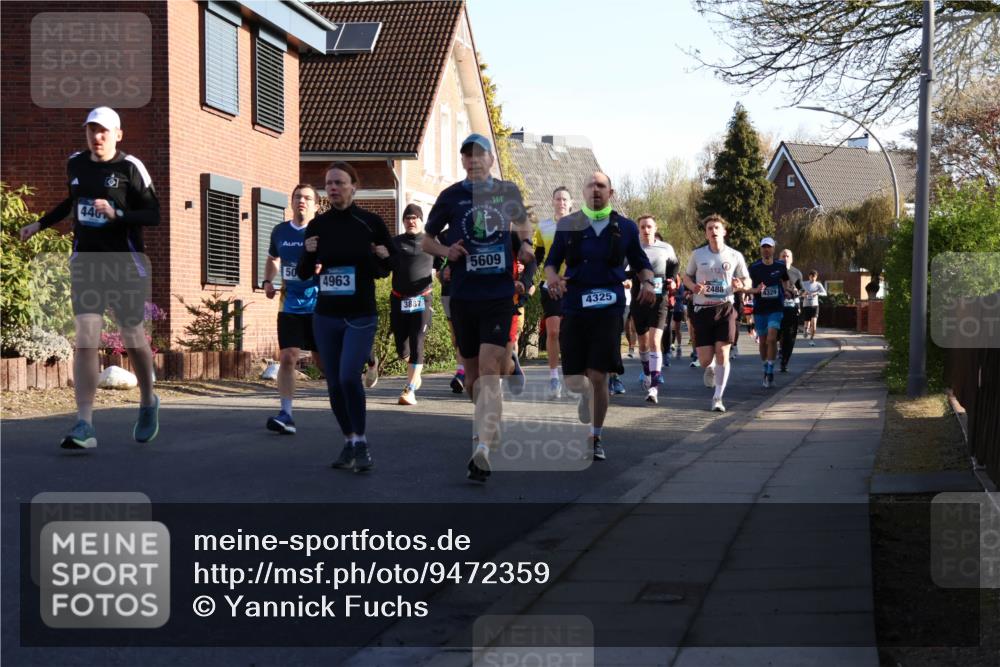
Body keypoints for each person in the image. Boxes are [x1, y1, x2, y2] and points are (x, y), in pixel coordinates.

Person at [20, 107, 160, 449]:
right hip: (86, 262)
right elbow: (72, 202)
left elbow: (153, 214)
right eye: (91, 131)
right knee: (85, 338)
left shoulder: (131, 167)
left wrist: (118, 213)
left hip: (124, 263)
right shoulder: (76, 164)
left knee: (133, 338)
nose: (97, 137)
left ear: (117, 135)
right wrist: (40, 223)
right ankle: (84, 423)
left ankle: (148, 399)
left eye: (103, 131)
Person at [421, 133, 534, 483]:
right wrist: (445, 253)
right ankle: (491, 423)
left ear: (490, 160)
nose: (473, 161)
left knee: (488, 368)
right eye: (467, 156)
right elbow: (426, 239)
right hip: (464, 295)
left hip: (499, 296)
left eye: (479, 155)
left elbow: (523, 225)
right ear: (463, 162)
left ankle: (482, 448)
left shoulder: (507, 192)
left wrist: (527, 245)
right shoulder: (451, 196)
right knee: (472, 378)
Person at [544, 172, 655, 460]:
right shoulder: (568, 225)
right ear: (583, 192)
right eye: (591, 185)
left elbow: (642, 265)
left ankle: (595, 437)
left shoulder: (627, 228)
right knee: (574, 379)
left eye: (601, 186)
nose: (596, 190)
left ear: (611, 192)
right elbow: (551, 263)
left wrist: (649, 283)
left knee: (598, 375)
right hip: (575, 305)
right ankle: (585, 396)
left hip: (609, 304)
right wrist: (554, 280)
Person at [300, 162, 397, 473]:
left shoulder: (369, 222)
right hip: (326, 315)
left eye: (340, 182)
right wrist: (308, 251)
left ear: (354, 186)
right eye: (329, 183)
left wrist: (383, 256)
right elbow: (304, 272)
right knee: (333, 384)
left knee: (346, 377)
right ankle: (350, 441)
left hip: (360, 314)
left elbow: (389, 267)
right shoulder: (318, 225)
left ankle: (363, 442)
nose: (333, 188)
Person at [262, 184, 321, 434]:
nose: (302, 201)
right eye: (298, 197)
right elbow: (273, 258)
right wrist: (267, 281)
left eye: (307, 198)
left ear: (316, 206)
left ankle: (358, 376)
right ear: (292, 201)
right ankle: (286, 414)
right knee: (287, 356)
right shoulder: (280, 230)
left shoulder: (322, 231)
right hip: (290, 304)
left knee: (322, 364)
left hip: (319, 304)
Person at [682, 214, 750, 412]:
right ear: (706, 233)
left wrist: (740, 284)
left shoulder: (735, 255)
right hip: (703, 309)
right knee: (704, 360)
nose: (713, 231)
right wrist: (694, 287)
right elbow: (686, 277)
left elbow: (748, 281)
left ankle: (718, 398)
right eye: (709, 229)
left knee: (723, 352)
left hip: (725, 308)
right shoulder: (697, 255)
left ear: (724, 231)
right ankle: (710, 367)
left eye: (716, 228)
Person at [628, 217, 679, 404]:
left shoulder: (666, 248)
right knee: (643, 343)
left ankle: (653, 388)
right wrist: (626, 278)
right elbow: (622, 268)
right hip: (638, 299)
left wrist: (672, 279)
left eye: (649, 226)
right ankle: (647, 372)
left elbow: (674, 265)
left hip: (660, 299)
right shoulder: (633, 248)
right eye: (642, 227)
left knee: (655, 340)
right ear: (638, 230)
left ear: (655, 228)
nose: (646, 230)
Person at [390, 204, 435, 405]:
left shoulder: (430, 242)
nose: (411, 221)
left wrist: (447, 272)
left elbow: (446, 261)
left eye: (414, 217)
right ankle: (415, 373)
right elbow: (383, 263)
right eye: (407, 218)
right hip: (399, 298)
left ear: (420, 220)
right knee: (402, 347)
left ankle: (409, 389)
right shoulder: (395, 242)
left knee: (417, 340)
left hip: (422, 299)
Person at [533, 186, 572, 399]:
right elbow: (538, 256)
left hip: (574, 286)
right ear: (553, 202)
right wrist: (528, 277)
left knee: (573, 332)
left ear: (571, 203)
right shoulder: (544, 226)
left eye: (565, 199)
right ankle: (554, 378)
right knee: (554, 332)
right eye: (558, 199)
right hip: (551, 286)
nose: (562, 202)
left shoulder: (578, 225)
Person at [748, 237, 794, 388]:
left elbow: (785, 280)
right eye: (764, 247)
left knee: (772, 338)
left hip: (776, 307)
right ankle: (765, 368)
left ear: (774, 249)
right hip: (760, 308)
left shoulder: (780, 266)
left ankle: (771, 369)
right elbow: (747, 285)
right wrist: (752, 291)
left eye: (769, 247)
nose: (766, 250)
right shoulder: (754, 267)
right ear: (761, 249)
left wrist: (786, 290)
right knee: (763, 340)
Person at [777, 248, 804, 372]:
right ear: (779, 258)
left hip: (790, 308)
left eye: (788, 256)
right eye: (783, 256)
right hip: (776, 307)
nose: (785, 258)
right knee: (777, 334)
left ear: (791, 259)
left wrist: (796, 291)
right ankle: (779, 350)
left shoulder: (796, 273)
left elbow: (802, 290)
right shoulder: (774, 270)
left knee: (790, 337)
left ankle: (785, 361)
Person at [801, 270, 827, 345]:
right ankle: (805, 330)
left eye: (814, 277)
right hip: (806, 305)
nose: (812, 279)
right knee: (807, 323)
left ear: (816, 277)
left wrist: (817, 293)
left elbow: (825, 293)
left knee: (814, 325)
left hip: (815, 306)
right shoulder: (804, 283)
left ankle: (811, 340)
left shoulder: (818, 284)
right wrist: (803, 294)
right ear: (809, 276)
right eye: (811, 277)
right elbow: (798, 292)